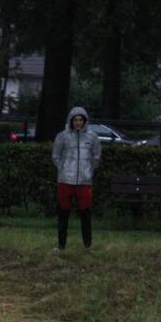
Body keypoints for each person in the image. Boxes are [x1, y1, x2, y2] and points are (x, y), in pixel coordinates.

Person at [51, 106, 101, 251]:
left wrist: (89, 170)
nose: (78, 123)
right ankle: (61, 245)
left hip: (84, 182)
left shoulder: (93, 137)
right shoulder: (62, 136)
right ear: (71, 121)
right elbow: (55, 155)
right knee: (63, 213)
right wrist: (63, 169)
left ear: (85, 121)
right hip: (65, 181)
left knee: (85, 214)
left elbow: (97, 157)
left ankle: (88, 245)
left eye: (80, 120)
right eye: (75, 120)